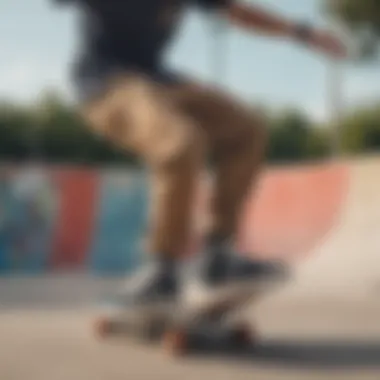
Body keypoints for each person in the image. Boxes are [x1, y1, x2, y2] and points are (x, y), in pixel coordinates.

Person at [54, 0, 346, 310]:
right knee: (180, 143)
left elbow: (236, 12)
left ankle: (218, 256)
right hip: (106, 85)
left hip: (159, 80)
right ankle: (161, 270)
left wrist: (301, 32)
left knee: (245, 130)